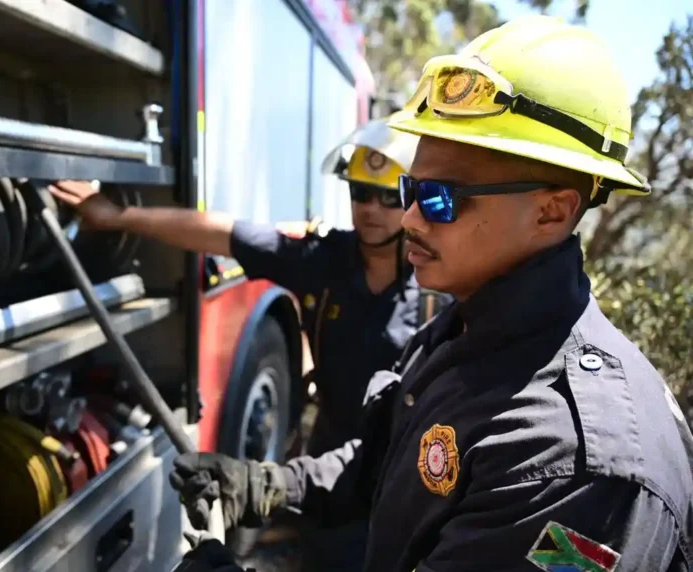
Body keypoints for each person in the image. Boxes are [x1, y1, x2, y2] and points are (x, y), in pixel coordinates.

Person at [168, 15, 693, 572]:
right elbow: (392, 464)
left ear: (551, 210)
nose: (412, 217)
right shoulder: (459, 333)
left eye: (442, 197)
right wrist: (270, 484)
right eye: (410, 189)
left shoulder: (574, 468)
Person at [49, 119, 444, 571]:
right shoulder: (325, 260)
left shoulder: (439, 285)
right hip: (328, 470)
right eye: (360, 193)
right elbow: (224, 233)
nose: (372, 208)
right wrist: (119, 218)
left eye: (390, 197)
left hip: (402, 470)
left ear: (412, 199)